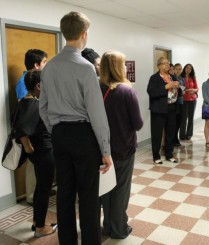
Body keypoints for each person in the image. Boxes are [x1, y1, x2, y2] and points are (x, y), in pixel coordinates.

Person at [39, 12, 113, 245]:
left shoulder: (49, 67)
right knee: (89, 196)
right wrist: (105, 149)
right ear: (84, 34)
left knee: (65, 193)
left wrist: (56, 130)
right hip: (83, 136)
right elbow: (96, 113)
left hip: (59, 135)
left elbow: (43, 108)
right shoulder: (85, 67)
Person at [100, 50, 143, 239]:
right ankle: (119, 229)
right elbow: (138, 124)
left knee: (106, 190)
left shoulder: (96, 87)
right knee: (120, 190)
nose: (126, 67)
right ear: (118, 68)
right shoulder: (126, 91)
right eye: (124, 63)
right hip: (123, 149)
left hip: (102, 149)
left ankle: (108, 225)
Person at [15, 70, 57, 238]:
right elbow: (22, 130)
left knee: (41, 188)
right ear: (39, 86)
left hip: (41, 152)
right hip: (44, 152)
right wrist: (28, 148)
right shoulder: (33, 104)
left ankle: (36, 221)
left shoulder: (27, 101)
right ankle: (40, 227)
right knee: (44, 189)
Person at [15, 49, 48, 205]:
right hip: (32, 133)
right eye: (44, 62)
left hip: (38, 131)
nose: (46, 65)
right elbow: (26, 111)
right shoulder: (24, 82)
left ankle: (39, 191)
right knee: (32, 164)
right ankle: (31, 196)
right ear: (36, 65)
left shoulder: (33, 79)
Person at [147, 57, 180, 164]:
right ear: (159, 66)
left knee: (171, 132)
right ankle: (156, 156)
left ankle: (169, 154)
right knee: (157, 133)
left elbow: (176, 90)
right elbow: (151, 92)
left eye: (168, 63)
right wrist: (166, 86)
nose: (167, 65)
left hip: (172, 108)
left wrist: (180, 88)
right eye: (164, 63)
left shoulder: (173, 76)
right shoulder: (154, 78)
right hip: (159, 109)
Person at [180, 63, 198, 140]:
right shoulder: (181, 78)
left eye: (190, 68)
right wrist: (188, 90)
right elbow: (181, 89)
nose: (188, 70)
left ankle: (189, 134)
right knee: (184, 118)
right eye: (187, 68)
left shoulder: (193, 77)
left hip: (193, 100)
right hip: (184, 100)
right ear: (184, 69)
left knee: (191, 118)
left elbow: (197, 88)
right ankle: (182, 135)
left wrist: (194, 90)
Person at [173, 63, 185, 146]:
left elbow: (183, 88)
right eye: (177, 69)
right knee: (174, 121)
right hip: (173, 102)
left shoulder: (182, 79)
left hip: (180, 101)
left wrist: (183, 91)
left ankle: (175, 137)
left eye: (180, 69)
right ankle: (173, 138)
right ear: (173, 69)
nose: (178, 70)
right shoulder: (172, 78)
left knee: (179, 121)